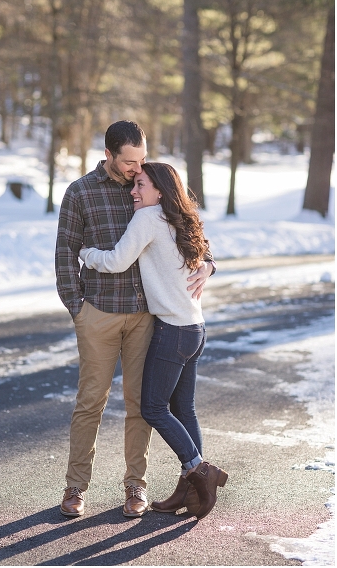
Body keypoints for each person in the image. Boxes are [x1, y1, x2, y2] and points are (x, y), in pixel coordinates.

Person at [55, 120, 215, 518]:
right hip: (99, 315)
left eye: (141, 160)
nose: (135, 169)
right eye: (129, 162)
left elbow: (188, 230)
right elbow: (64, 253)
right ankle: (76, 487)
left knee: (140, 407)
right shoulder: (81, 193)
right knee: (90, 402)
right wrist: (78, 309)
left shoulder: (149, 187)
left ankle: (135, 486)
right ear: (109, 155)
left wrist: (208, 264)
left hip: (147, 318)